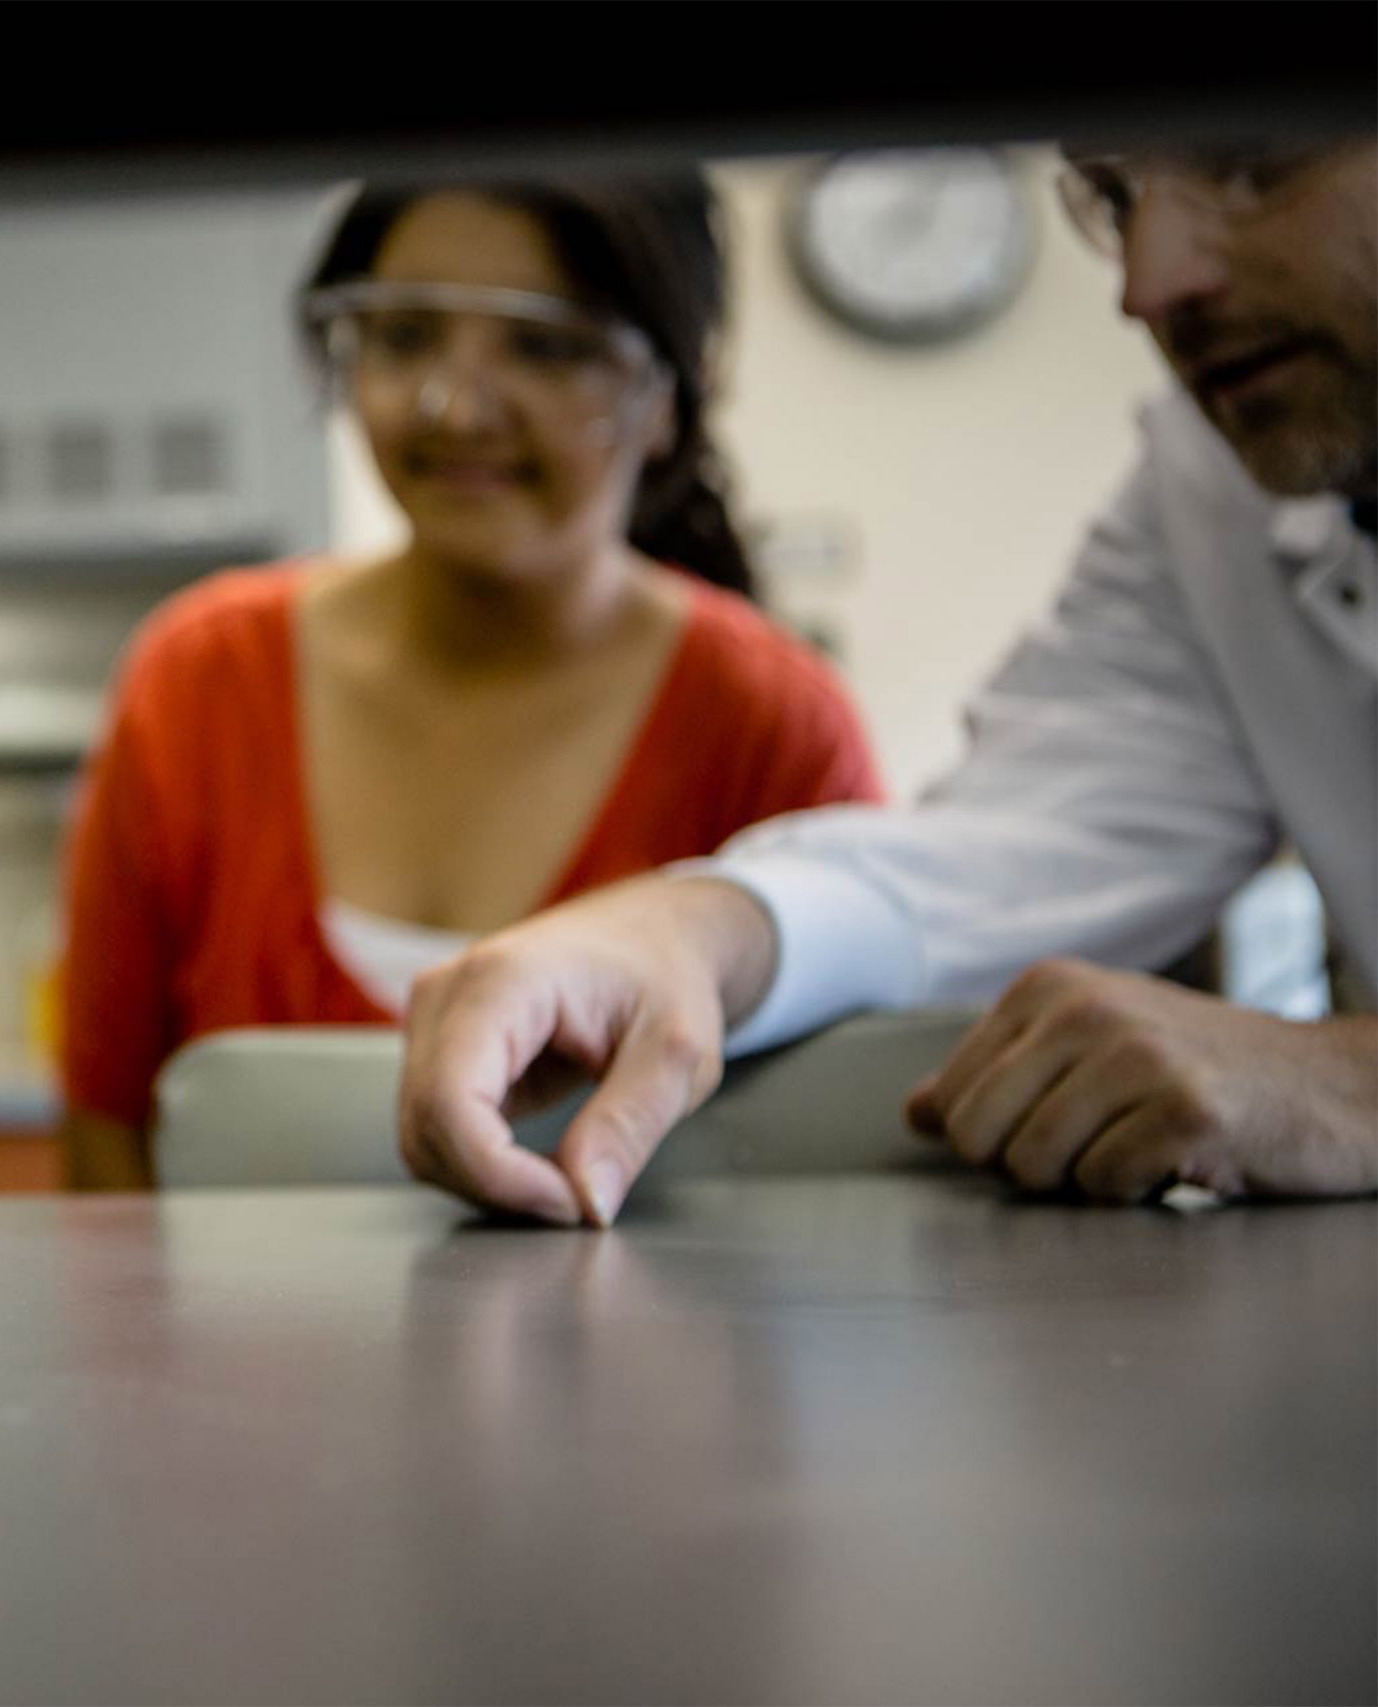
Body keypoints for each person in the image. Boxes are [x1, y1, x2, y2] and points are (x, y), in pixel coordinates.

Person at [398, 138, 1378, 1227]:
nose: (1147, 286)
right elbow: (1023, 841)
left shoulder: (753, 693)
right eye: (1109, 197)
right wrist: (681, 930)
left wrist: (1353, 1079)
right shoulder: (1206, 490)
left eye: (1254, 166)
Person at [59, 174, 883, 1188]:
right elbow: (104, 1132)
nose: (452, 406)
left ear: (668, 395)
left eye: (542, 345)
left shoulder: (773, 724)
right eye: (403, 337)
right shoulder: (195, 680)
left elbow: (839, 1150)